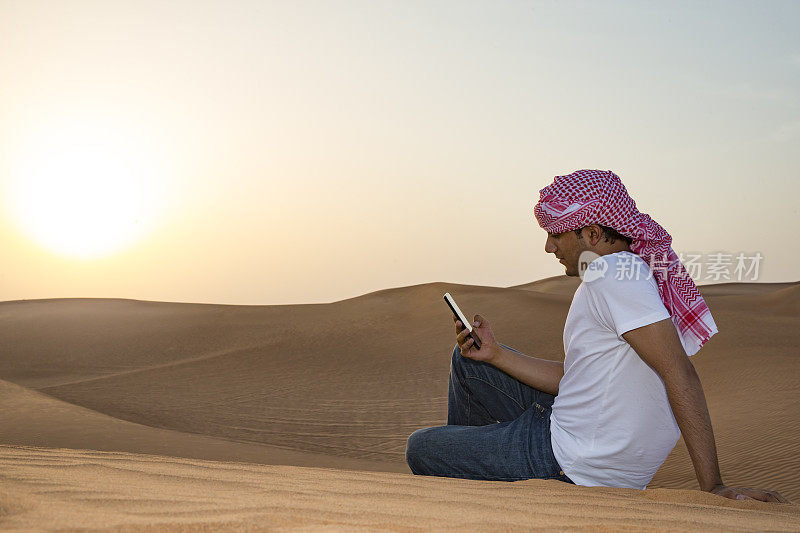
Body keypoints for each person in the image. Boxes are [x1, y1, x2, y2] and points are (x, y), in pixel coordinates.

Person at [405, 169, 789, 503]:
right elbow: (578, 378)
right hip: (581, 442)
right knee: (470, 363)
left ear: (591, 232)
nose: (548, 246)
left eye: (556, 234)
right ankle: (484, 483)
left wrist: (714, 486)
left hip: (570, 461)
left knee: (422, 447)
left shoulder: (613, 276)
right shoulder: (631, 272)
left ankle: (472, 499)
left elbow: (680, 372)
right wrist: (496, 354)